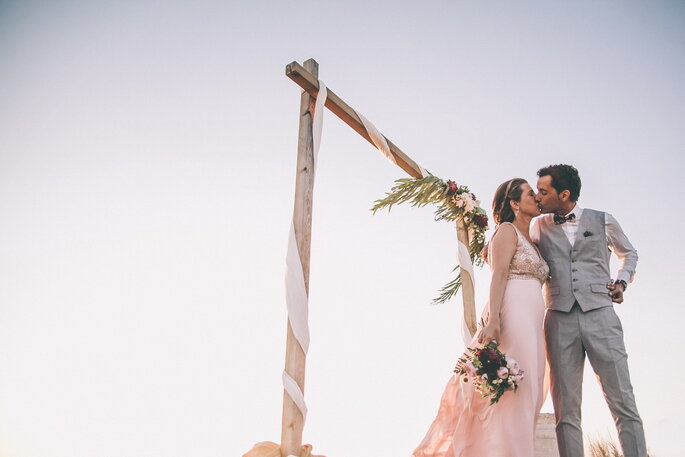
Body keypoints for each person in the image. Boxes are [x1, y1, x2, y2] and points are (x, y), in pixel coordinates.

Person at [413, 178, 548, 457]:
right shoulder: (506, 231)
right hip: (514, 314)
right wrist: (495, 322)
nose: (536, 197)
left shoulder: (534, 241)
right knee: (517, 392)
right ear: (514, 203)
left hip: (535, 319)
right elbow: (498, 275)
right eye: (529, 194)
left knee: (532, 390)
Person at [531, 164, 646, 457]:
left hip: (601, 315)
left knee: (622, 400)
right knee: (565, 408)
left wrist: (621, 281)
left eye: (544, 191)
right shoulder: (538, 225)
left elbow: (629, 253)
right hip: (557, 318)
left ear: (564, 194)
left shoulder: (603, 220)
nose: (537, 196)